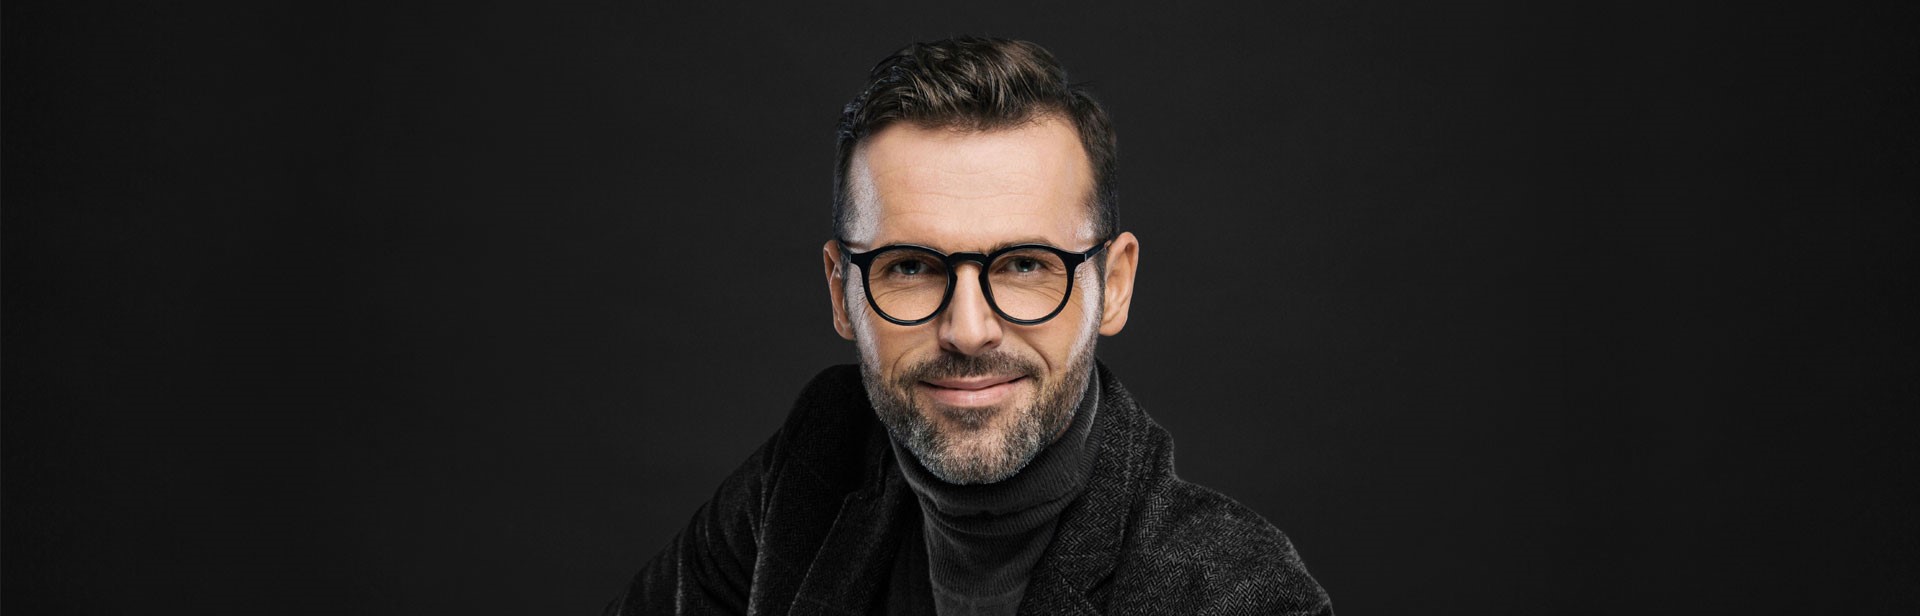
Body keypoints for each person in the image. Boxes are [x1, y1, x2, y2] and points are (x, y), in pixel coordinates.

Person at [606, 36, 1332, 615]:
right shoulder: (816, 460)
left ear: (1113, 287)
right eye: (911, 266)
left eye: (1024, 265)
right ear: (841, 291)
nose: (969, 330)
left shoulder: (1230, 594)